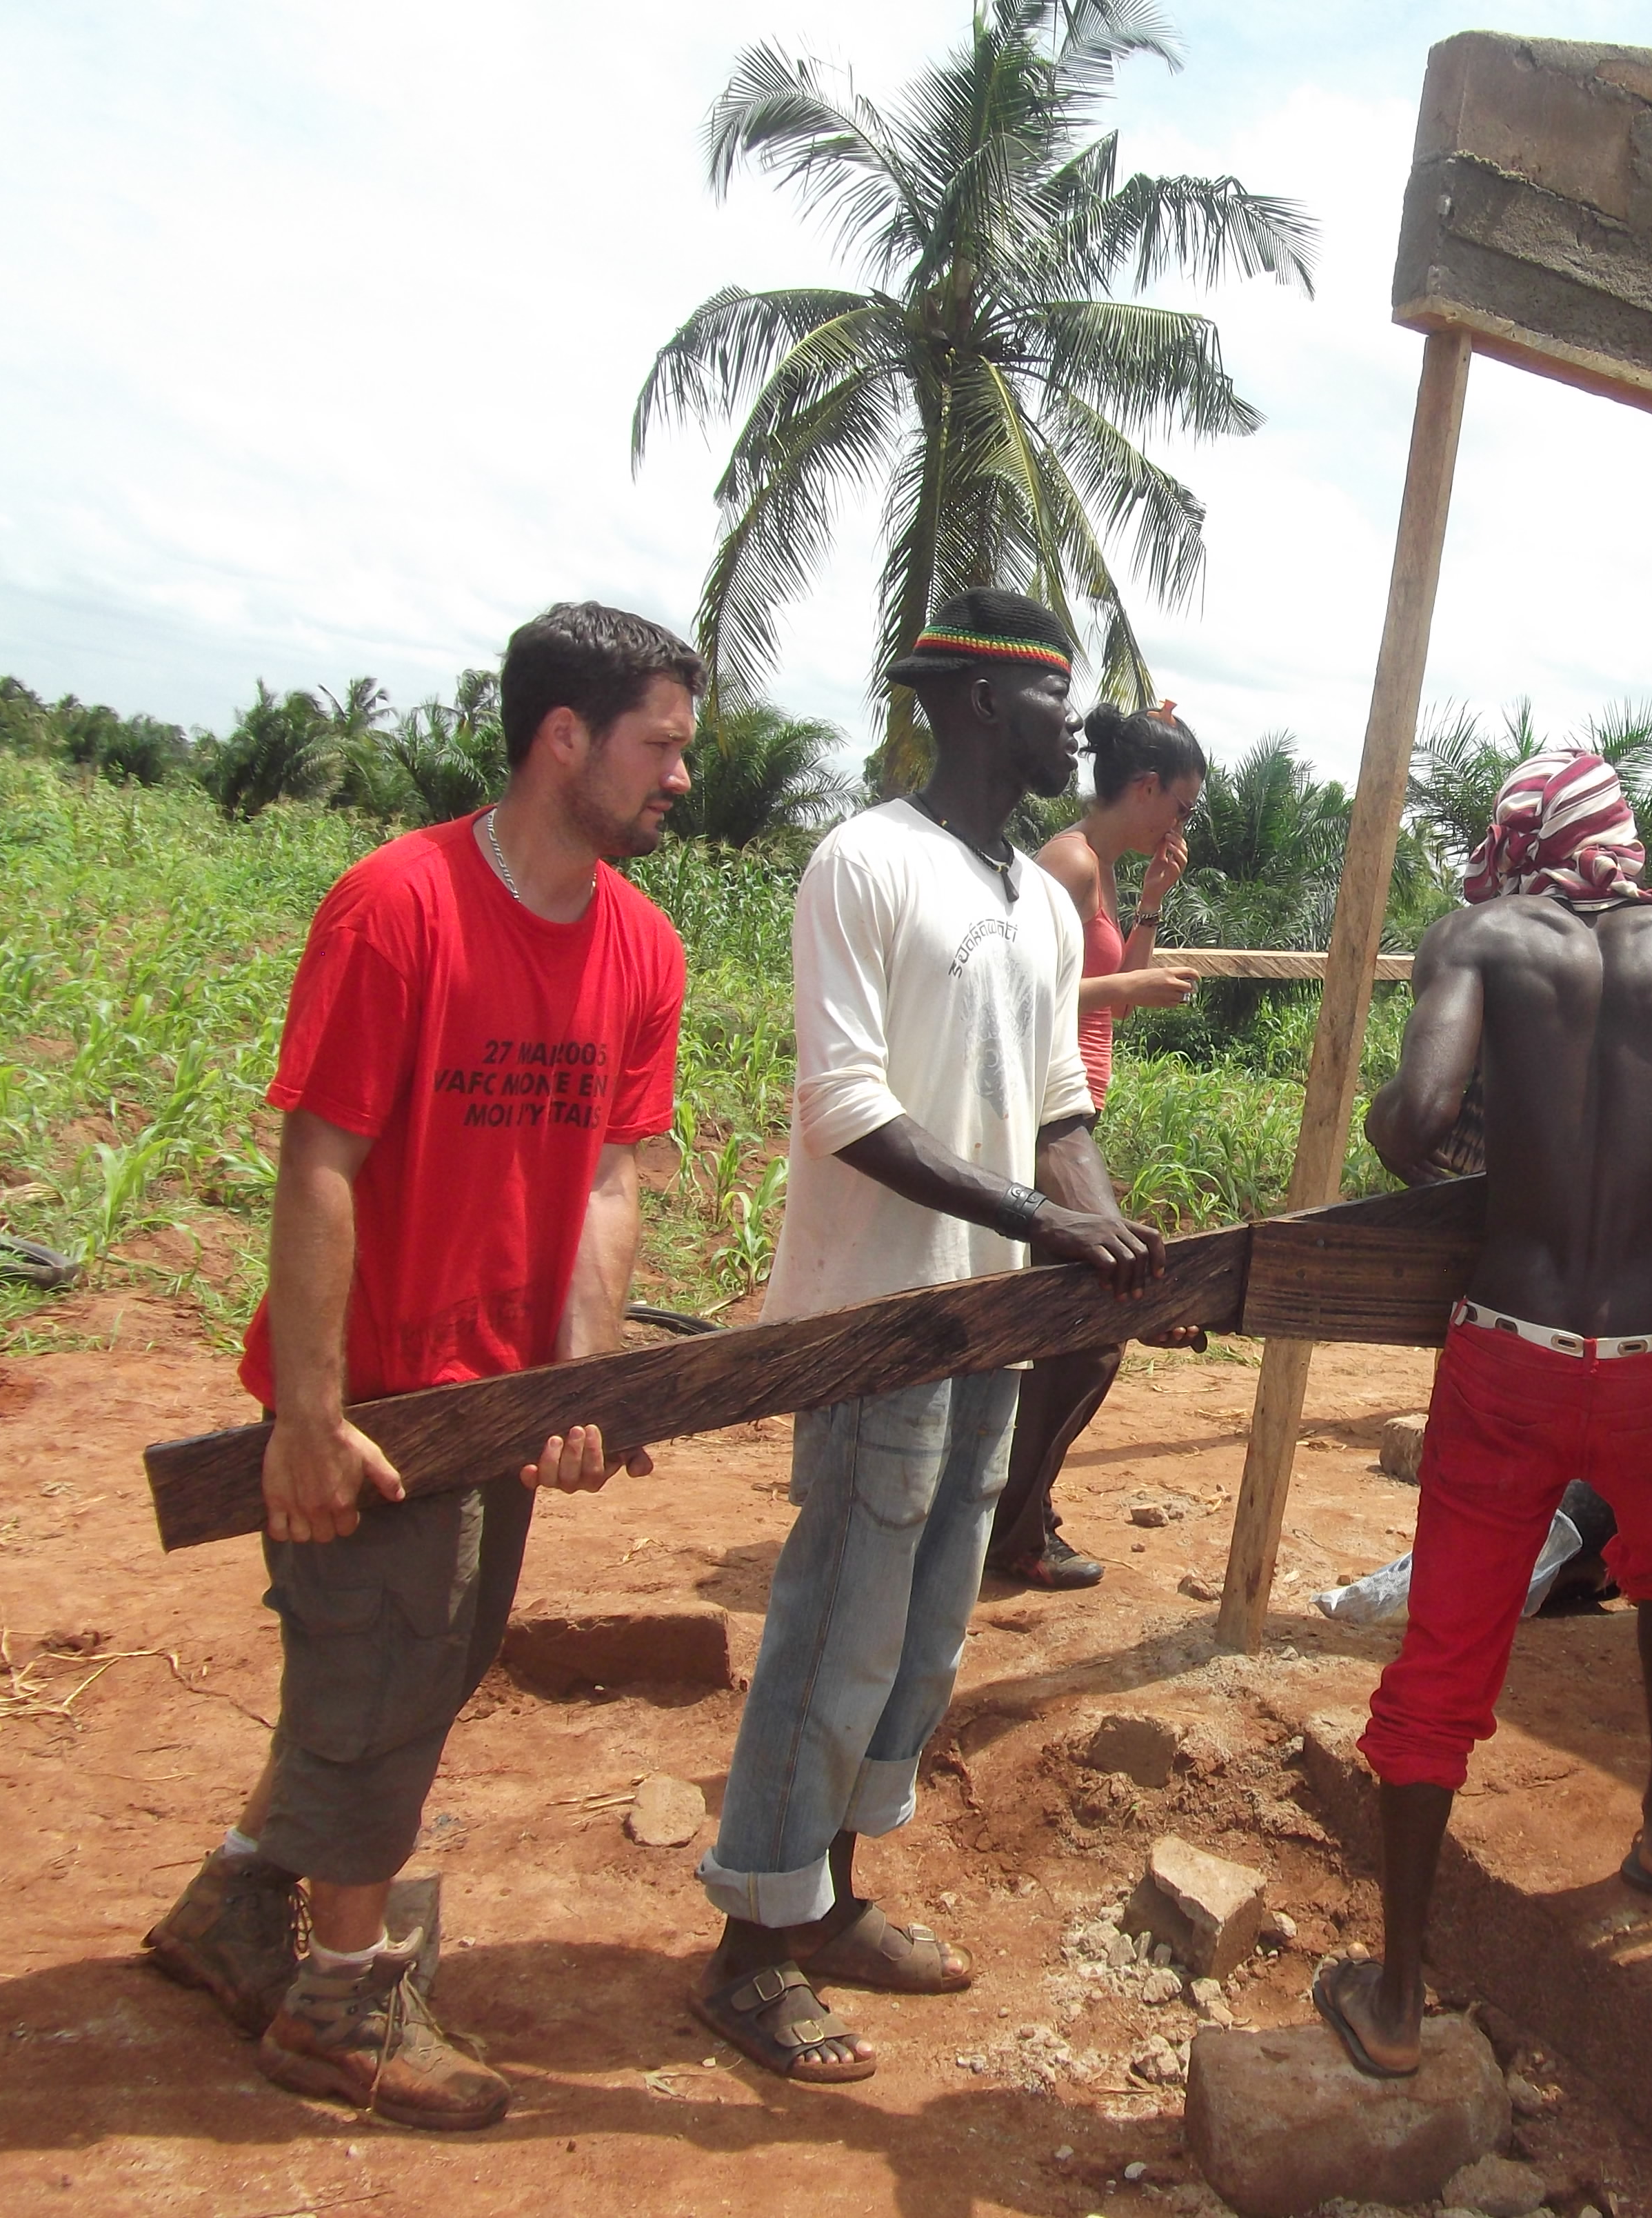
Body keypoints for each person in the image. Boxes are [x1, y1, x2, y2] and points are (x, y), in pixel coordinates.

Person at [141, 602, 701, 2130]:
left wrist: (577, 1386)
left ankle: (240, 1908)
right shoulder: (397, 907)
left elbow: (606, 1180)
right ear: (563, 738)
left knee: (419, 1660)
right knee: (383, 1673)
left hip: (500, 1398)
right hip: (379, 1402)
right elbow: (321, 1160)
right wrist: (309, 1418)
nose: (678, 779)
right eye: (659, 745)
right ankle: (339, 2012)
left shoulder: (640, 946)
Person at [692, 588, 1170, 2082]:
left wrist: (1102, 1239)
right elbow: (844, 1109)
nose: (1076, 730)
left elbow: (1055, 1108)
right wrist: (1046, 1226)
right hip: (875, 1326)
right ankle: (748, 1954)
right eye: (1053, 704)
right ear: (976, 704)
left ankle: (824, 1899)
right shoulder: (863, 864)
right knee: (836, 1621)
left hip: (987, 1327)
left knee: (920, 1638)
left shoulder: (1033, 899)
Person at [1314, 747, 1652, 2079]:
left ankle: (1397, 2002)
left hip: (1509, 1347)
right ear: (1621, 841)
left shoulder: (1480, 936)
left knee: (1446, 1658)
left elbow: (1414, 1123)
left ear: (1521, 843)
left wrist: (1503, 1149)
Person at [989, 701, 1207, 1590]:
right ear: (1145, 787)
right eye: (1181, 806)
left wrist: (1151, 908)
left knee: (1070, 1324)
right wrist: (1137, 985)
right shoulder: (1064, 865)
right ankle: (1013, 1526)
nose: (1180, 824)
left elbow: (1107, 988)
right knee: (1096, 1323)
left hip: (1070, 1117)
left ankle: (1018, 1512)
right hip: (1041, 1123)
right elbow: (1016, 1001)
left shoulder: (1105, 872)